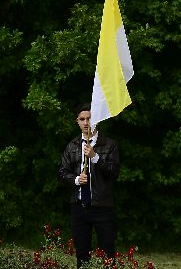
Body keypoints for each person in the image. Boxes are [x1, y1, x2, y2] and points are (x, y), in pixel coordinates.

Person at [58, 102, 120, 267]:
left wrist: (95, 157)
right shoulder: (72, 146)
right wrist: (77, 180)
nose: (86, 123)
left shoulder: (109, 145)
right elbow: (63, 173)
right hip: (79, 207)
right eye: (82, 119)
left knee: (108, 254)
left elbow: (114, 172)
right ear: (77, 121)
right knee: (82, 255)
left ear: (96, 120)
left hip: (102, 206)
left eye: (89, 119)